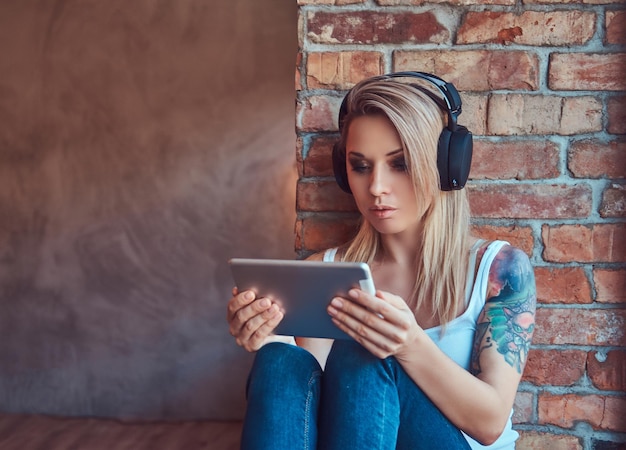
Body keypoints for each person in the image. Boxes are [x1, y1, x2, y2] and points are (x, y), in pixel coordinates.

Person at [226, 72, 536, 449]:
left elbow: (490, 424)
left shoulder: (500, 270)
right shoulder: (326, 271)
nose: (375, 187)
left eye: (400, 163)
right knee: (279, 360)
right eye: (360, 166)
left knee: (365, 345)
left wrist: (408, 345)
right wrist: (268, 337)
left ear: (444, 166)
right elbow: (320, 414)